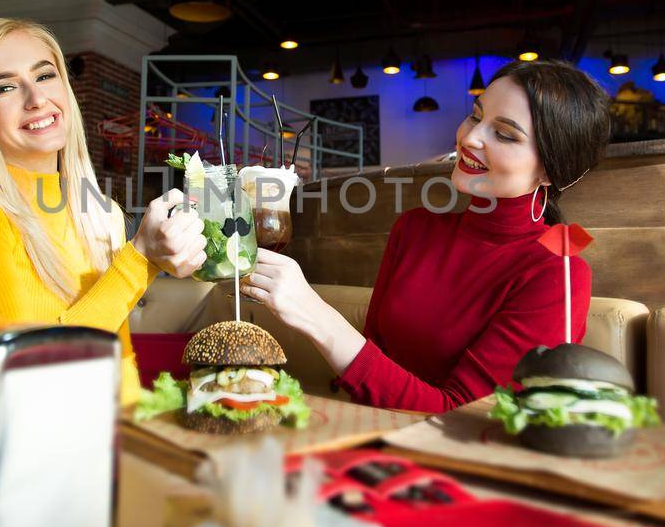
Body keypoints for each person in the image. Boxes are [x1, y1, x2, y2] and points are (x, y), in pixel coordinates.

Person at [241, 59, 610, 412]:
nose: (470, 137)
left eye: (504, 134)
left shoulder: (557, 273)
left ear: (550, 171)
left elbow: (461, 418)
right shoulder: (415, 229)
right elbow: (369, 367)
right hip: (367, 438)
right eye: (476, 116)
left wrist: (315, 314)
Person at [0, 17, 205, 406]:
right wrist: (139, 260)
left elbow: (118, 361)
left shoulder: (100, 213)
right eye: (4, 87)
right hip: (32, 451)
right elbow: (15, 375)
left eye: (45, 76)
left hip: (113, 433)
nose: (36, 98)